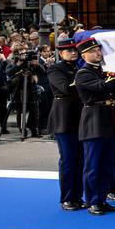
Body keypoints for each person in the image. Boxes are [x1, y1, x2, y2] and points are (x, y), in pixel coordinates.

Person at [74, 38, 115, 216]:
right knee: (93, 165)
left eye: (99, 51)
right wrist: (114, 81)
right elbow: (102, 87)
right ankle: (93, 201)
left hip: (109, 121)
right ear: (84, 55)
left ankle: (101, 198)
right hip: (94, 121)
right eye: (94, 51)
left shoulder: (102, 72)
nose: (98, 53)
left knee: (107, 164)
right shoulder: (83, 73)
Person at [46, 37, 85, 211]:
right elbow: (65, 87)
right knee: (68, 160)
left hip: (80, 117)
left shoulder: (78, 67)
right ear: (60, 53)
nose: (73, 53)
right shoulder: (55, 68)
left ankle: (78, 195)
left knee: (80, 160)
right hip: (64, 118)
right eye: (69, 50)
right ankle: (67, 198)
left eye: (74, 50)